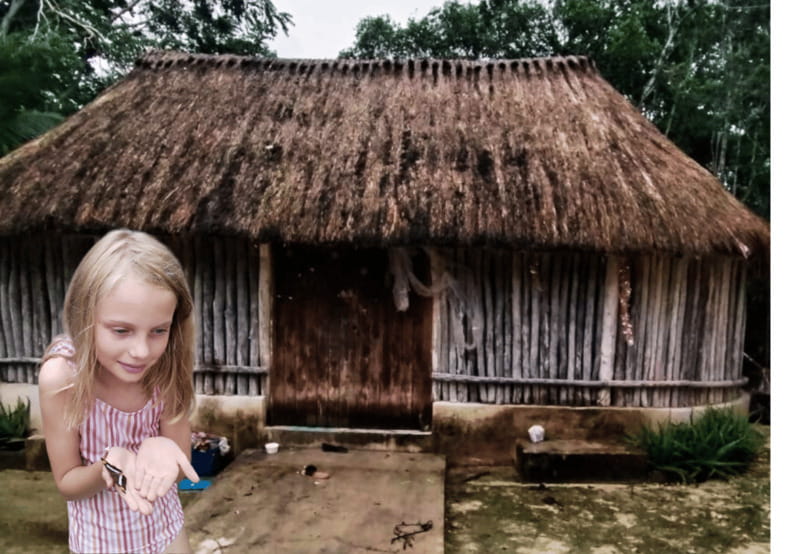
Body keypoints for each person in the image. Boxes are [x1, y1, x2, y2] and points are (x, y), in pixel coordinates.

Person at [38, 229, 200, 553]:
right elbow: (68, 483)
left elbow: (182, 467)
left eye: (158, 330)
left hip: (166, 535)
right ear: (85, 317)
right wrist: (108, 467)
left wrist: (165, 449)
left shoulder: (166, 367)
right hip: (98, 543)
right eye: (121, 330)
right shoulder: (62, 378)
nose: (141, 351)